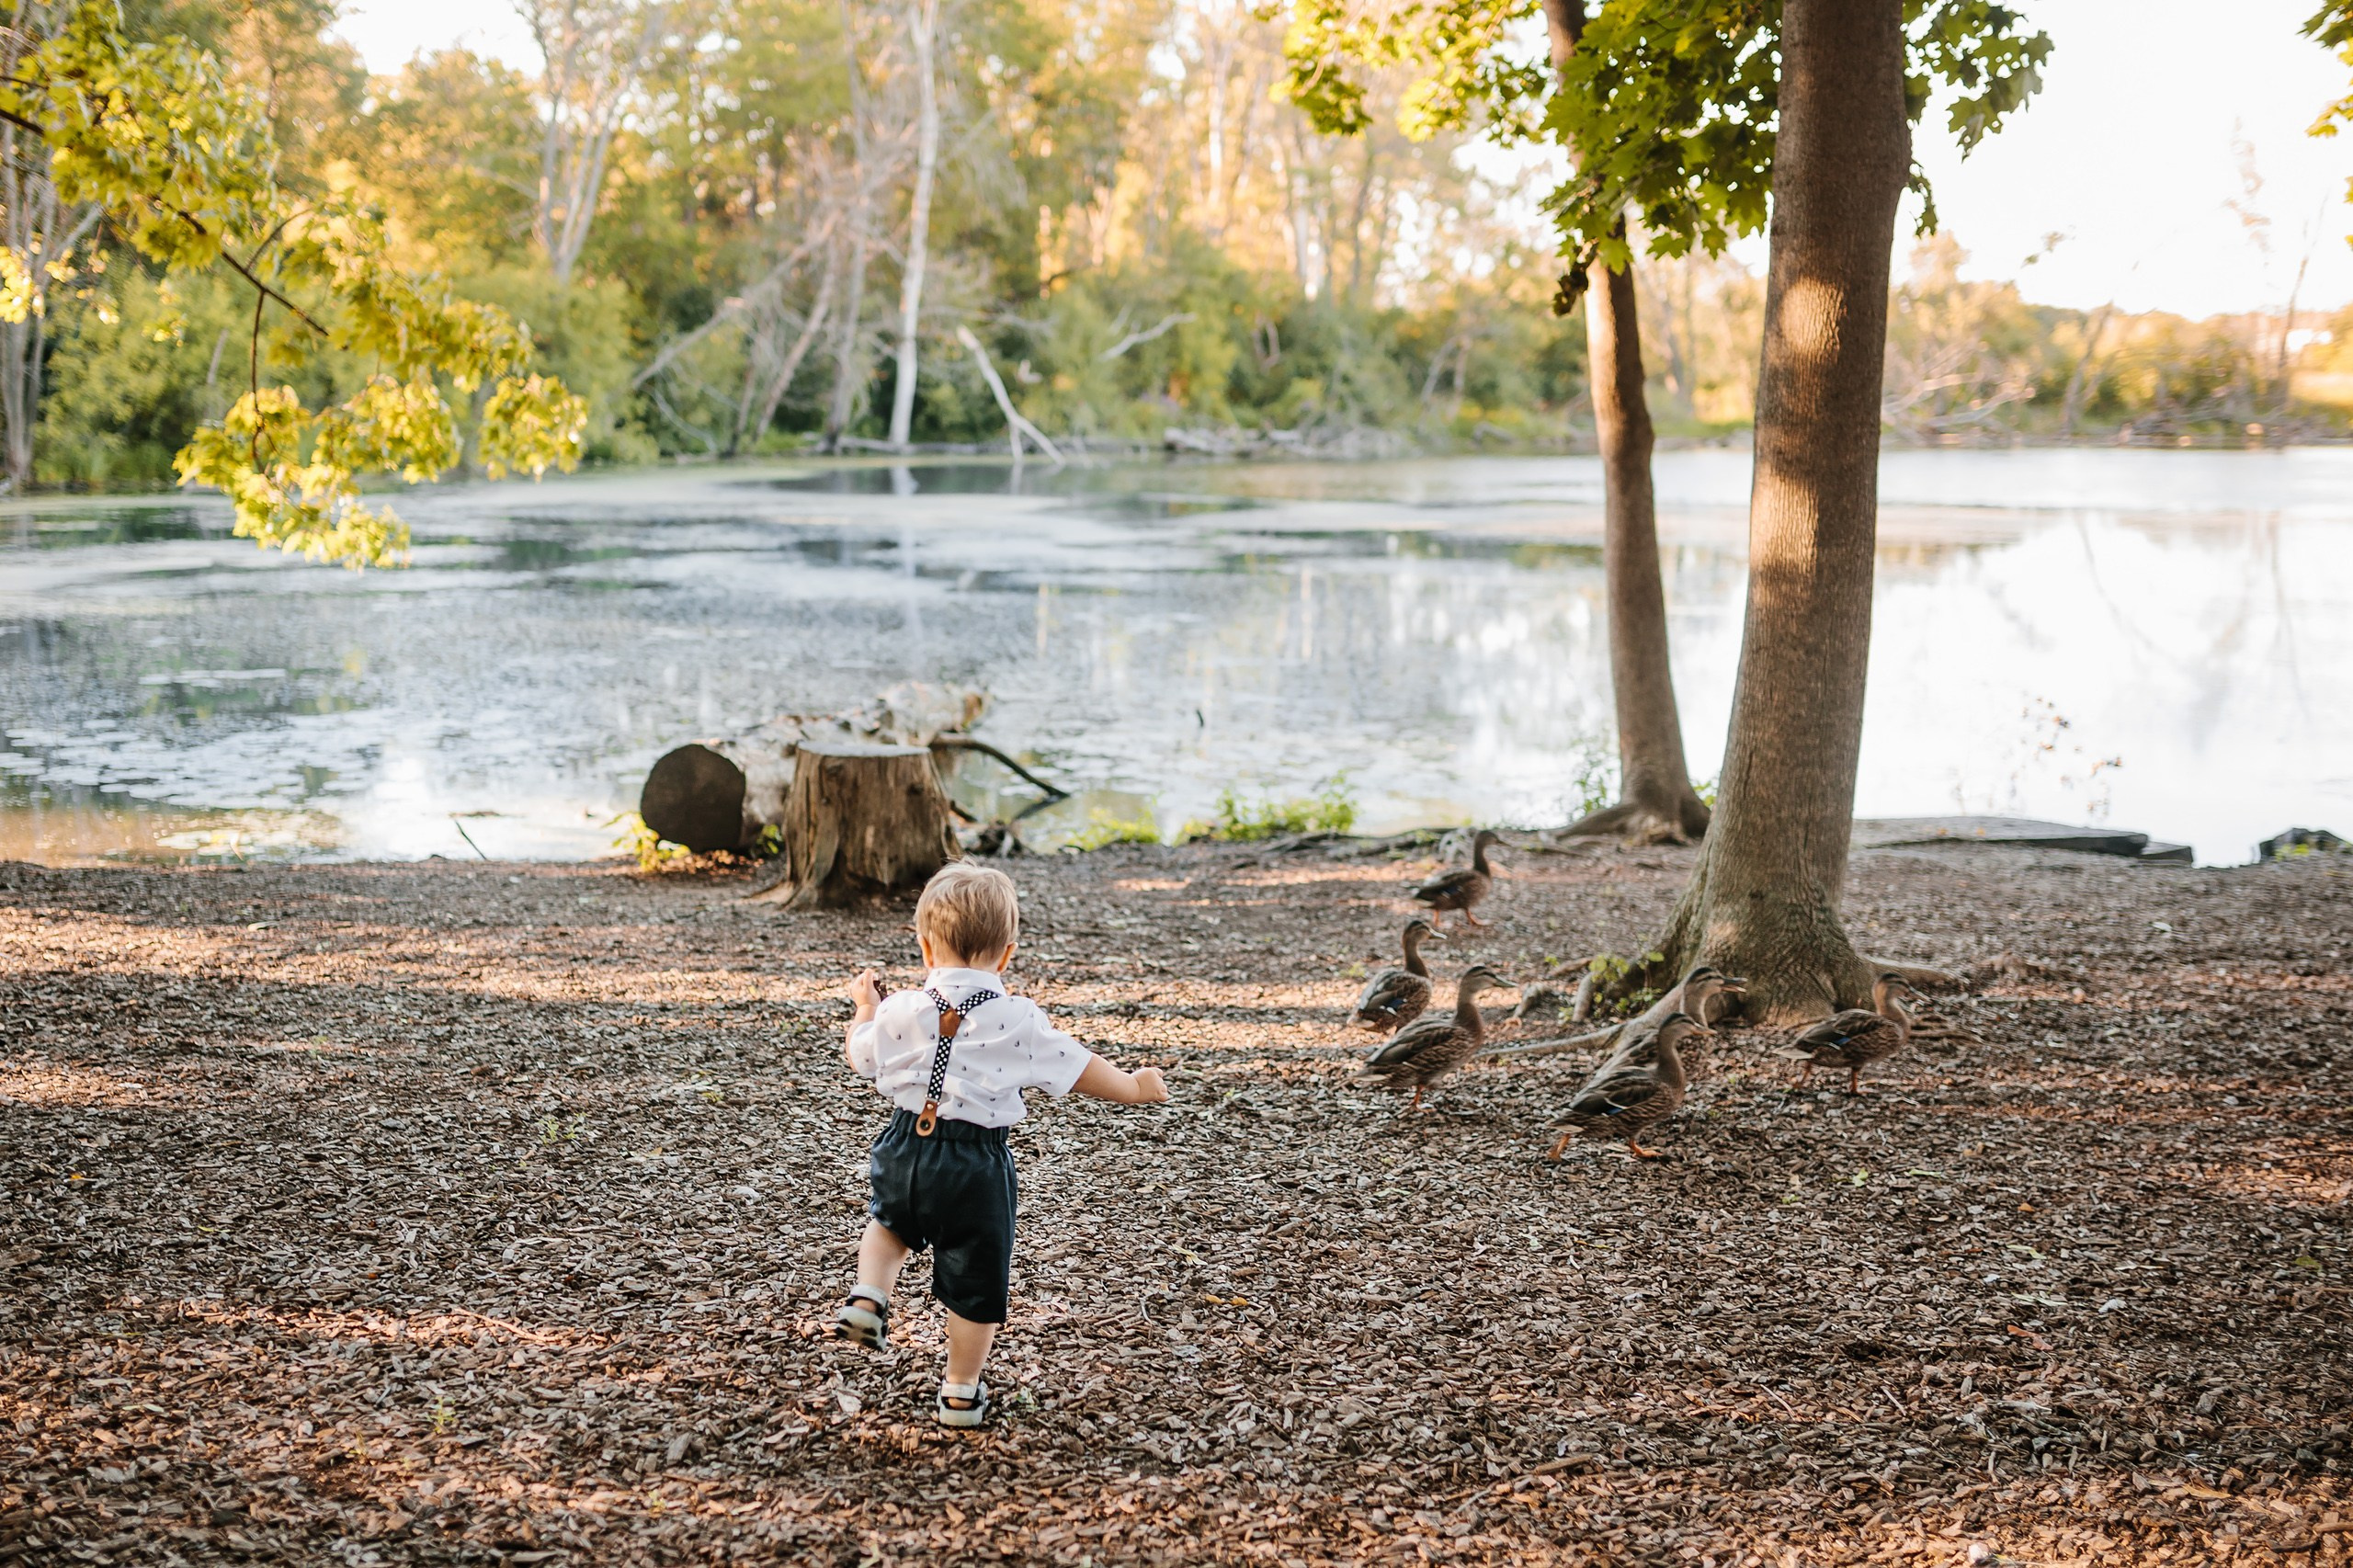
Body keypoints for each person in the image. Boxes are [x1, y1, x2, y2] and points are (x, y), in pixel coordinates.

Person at [835, 861, 1168, 1426]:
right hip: (975, 1161)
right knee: (975, 1279)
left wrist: (865, 1007)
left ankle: (869, 1295)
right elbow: (1078, 1066)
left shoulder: (901, 1008)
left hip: (903, 1146)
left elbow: (861, 1054)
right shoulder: (1017, 1018)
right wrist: (1134, 1088)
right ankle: (961, 1391)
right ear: (1007, 956)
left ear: (924, 948)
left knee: (889, 1223)